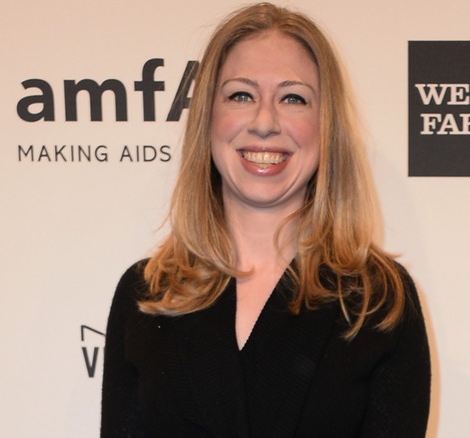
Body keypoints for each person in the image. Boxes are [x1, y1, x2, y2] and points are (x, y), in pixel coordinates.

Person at [101, 3, 431, 437]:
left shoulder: (377, 300)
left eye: (293, 98)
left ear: (324, 124)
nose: (264, 122)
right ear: (208, 118)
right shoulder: (145, 295)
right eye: (241, 95)